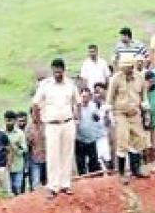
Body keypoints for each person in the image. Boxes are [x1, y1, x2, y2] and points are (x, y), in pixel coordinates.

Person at [32, 58, 81, 199]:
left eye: (59, 72)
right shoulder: (45, 85)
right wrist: (37, 121)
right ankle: (53, 186)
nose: (57, 74)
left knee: (67, 154)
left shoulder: (70, 84)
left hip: (67, 122)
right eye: (55, 71)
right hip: (52, 124)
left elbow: (77, 102)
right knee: (53, 155)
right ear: (52, 70)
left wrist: (77, 118)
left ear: (64, 71)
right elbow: (35, 104)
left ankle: (65, 184)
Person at [107, 55, 150, 185]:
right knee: (123, 141)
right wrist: (110, 115)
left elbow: (144, 97)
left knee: (138, 140)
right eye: (125, 67)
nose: (127, 69)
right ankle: (121, 173)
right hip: (120, 114)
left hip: (135, 113)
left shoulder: (140, 78)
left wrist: (146, 111)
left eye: (129, 67)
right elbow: (110, 99)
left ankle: (136, 169)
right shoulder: (115, 79)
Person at [75, 88, 105, 176]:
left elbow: (97, 118)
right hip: (79, 139)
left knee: (93, 162)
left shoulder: (93, 106)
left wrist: (96, 116)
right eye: (83, 96)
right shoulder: (76, 107)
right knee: (80, 163)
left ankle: (94, 181)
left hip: (91, 139)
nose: (85, 98)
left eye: (87, 96)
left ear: (90, 97)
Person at [4, 111, 28, 195]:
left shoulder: (20, 134)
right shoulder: (2, 133)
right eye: (7, 120)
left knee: (17, 188)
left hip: (18, 165)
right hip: (6, 167)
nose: (8, 123)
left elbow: (24, 150)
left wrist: (14, 147)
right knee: (8, 191)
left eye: (10, 120)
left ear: (14, 121)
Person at [25, 110, 47, 190]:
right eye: (34, 114)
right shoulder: (28, 127)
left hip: (47, 158)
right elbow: (27, 144)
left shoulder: (46, 125)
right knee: (36, 183)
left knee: (48, 182)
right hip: (34, 158)